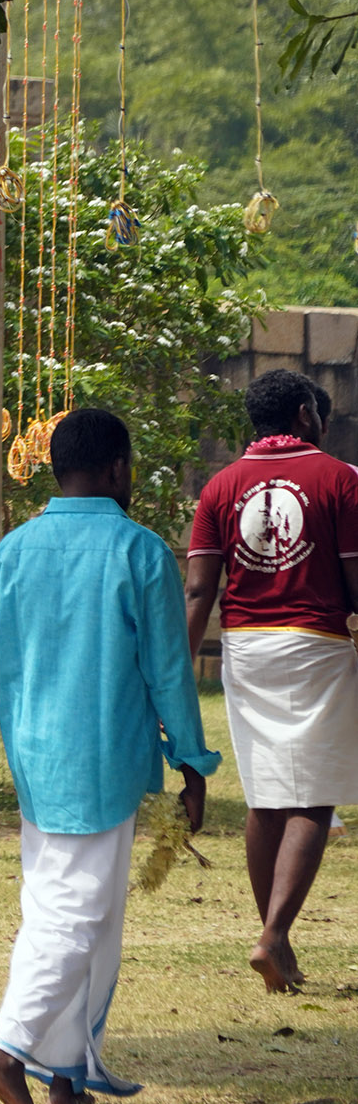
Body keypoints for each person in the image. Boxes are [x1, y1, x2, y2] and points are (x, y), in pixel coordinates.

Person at [0, 408, 219, 1104]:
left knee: (70, 913)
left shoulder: (11, 553)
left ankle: (65, 1076)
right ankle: (9, 1053)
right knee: (78, 917)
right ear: (117, 468)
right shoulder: (141, 552)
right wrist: (193, 766)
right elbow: (170, 672)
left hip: (38, 765)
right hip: (107, 765)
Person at [184, 367, 358, 993]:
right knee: (313, 797)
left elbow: (199, 589)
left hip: (246, 647)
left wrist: (175, 673)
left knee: (265, 797)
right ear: (306, 414)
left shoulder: (220, 486)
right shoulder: (341, 478)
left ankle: (276, 942)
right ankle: (273, 935)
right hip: (317, 644)